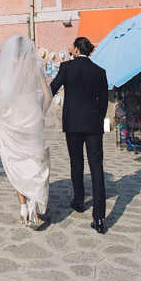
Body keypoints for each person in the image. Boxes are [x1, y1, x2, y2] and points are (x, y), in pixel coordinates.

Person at [0, 35, 53, 228]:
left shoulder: (8, 71)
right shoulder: (36, 69)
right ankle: (34, 207)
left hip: (12, 120)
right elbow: (47, 96)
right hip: (32, 118)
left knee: (16, 162)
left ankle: (22, 208)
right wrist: (41, 113)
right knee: (35, 160)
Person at [50, 36, 109, 234]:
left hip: (73, 124)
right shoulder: (100, 71)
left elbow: (52, 89)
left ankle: (79, 200)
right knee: (97, 167)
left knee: (76, 162)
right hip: (93, 124)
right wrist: (97, 119)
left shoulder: (67, 68)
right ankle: (99, 217)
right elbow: (103, 102)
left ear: (76, 49)